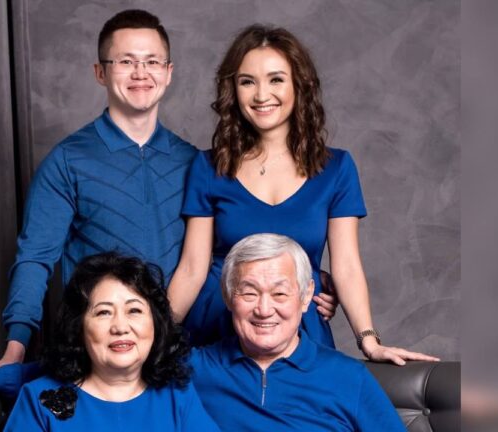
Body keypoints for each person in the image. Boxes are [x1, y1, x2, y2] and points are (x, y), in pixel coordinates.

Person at [0, 10, 339, 368]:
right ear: (100, 72)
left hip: (179, 346)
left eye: (152, 62)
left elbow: (236, 241)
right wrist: (16, 345)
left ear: (168, 72)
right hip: (102, 347)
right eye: (126, 61)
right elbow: (34, 258)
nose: (141, 73)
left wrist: (309, 278)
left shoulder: (196, 162)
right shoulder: (67, 161)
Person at [0, 235, 407, 431]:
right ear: (228, 298)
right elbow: (91, 364)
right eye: (248, 292)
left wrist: (369, 339)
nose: (264, 309)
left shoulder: (349, 378)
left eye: (280, 293)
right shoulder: (187, 370)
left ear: (305, 298)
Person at [166, 24, 438, 364]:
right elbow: (192, 268)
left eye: (276, 79)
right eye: (247, 81)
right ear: (232, 90)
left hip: (298, 321)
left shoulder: (337, 168)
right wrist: (155, 341)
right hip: (218, 319)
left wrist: (368, 340)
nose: (261, 95)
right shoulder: (208, 167)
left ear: (299, 85)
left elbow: (346, 265)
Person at [6, 252, 219, 430]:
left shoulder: (177, 394)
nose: (120, 327)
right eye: (104, 312)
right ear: (79, 327)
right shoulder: (38, 400)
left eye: (134, 310)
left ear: (155, 323)